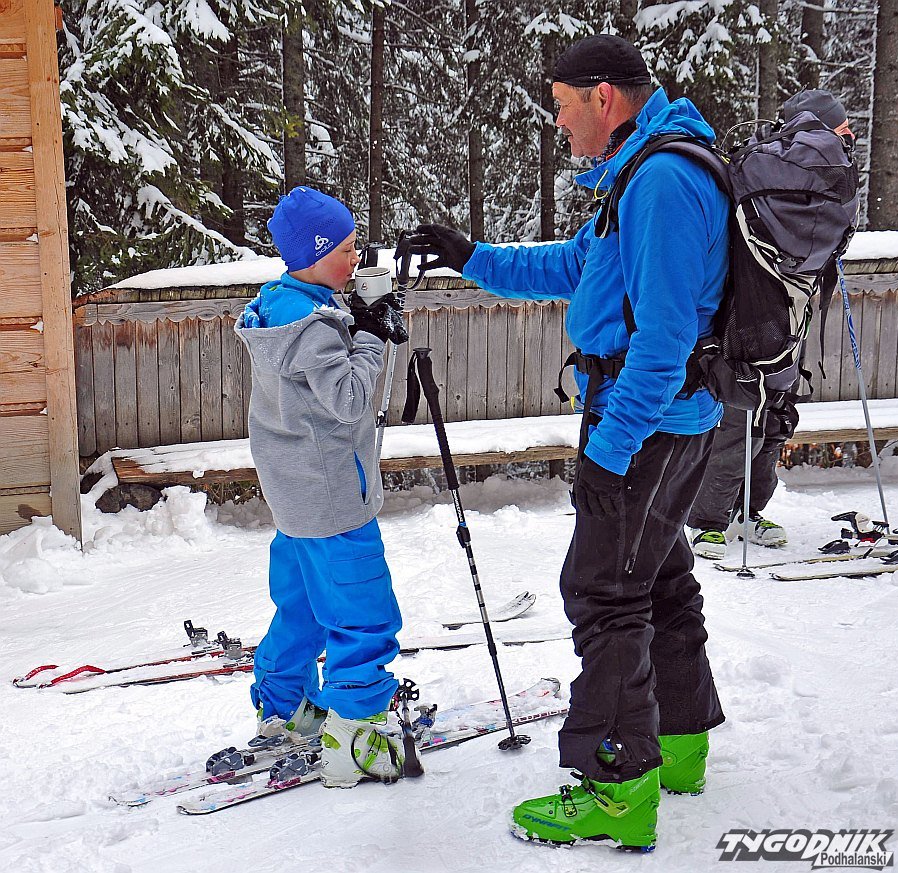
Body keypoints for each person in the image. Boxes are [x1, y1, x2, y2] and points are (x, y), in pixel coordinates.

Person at [408, 34, 726, 850]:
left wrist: (609, 450)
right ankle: (679, 746)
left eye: (560, 106)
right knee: (657, 579)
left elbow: (663, 339)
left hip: (646, 427)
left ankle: (618, 788)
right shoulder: (639, 172)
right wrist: (469, 255)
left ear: (602, 98)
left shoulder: (660, 182)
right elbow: (573, 267)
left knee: (603, 591)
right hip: (665, 422)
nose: (557, 123)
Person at [235, 186, 409, 788]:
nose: (357, 258)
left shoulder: (279, 307)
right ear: (314, 253)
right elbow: (351, 398)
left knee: (303, 609)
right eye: (346, 248)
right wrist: (373, 334)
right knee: (363, 615)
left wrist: (354, 319)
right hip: (333, 499)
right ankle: (356, 734)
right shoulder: (312, 328)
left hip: (296, 496)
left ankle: (286, 709)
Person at [686, 88, 856, 561]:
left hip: (749, 312)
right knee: (772, 412)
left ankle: (717, 518)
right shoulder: (830, 176)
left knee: (744, 411)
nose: (847, 138)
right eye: (842, 128)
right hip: (790, 314)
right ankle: (732, 515)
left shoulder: (763, 168)